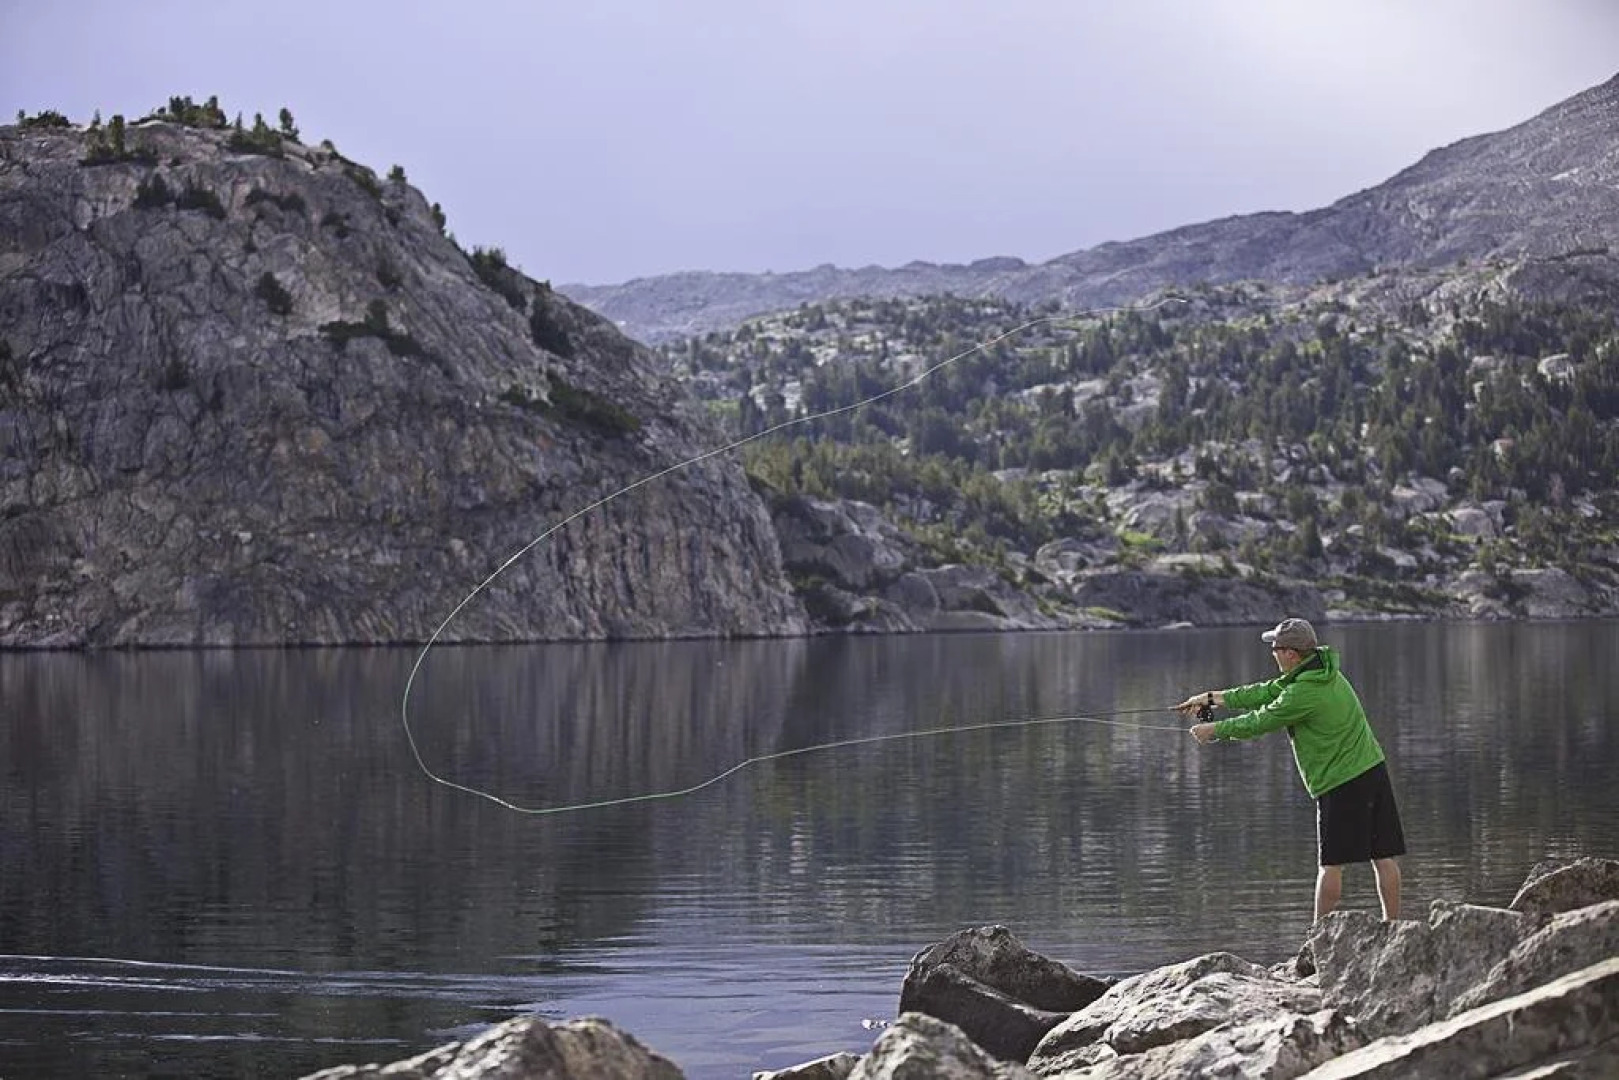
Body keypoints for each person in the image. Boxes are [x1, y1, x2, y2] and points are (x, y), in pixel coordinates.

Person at [1174, 618, 1406, 922]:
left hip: (1341, 782)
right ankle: (1394, 927)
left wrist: (1214, 730)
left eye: (1275, 648)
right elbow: (1265, 691)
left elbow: (1260, 721)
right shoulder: (1325, 673)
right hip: (1373, 770)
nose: (1272, 652)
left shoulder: (1302, 693)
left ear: (1291, 654)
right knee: (1383, 855)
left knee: (1331, 864)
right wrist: (1210, 699)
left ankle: (1316, 942)